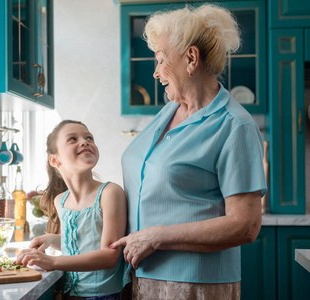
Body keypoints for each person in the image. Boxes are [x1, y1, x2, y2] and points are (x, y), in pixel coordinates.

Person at [109, 4, 267, 300]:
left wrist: (156, 237)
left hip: (195, 286)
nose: (155, 73)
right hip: (142, 277)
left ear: (191, 58)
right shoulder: (167, 112)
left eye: (160, 60)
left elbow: (245, 225)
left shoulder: (234, 125)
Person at [16, 120, 130, 300]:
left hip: (104, 296)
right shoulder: (60, 201)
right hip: (70, 295)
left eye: (89, 138)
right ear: (55, 160)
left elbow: (109, 256)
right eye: (72, 139)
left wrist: (52, 261)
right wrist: (53, 239)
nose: (84, 142)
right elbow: (81, 244)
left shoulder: (110, 193)